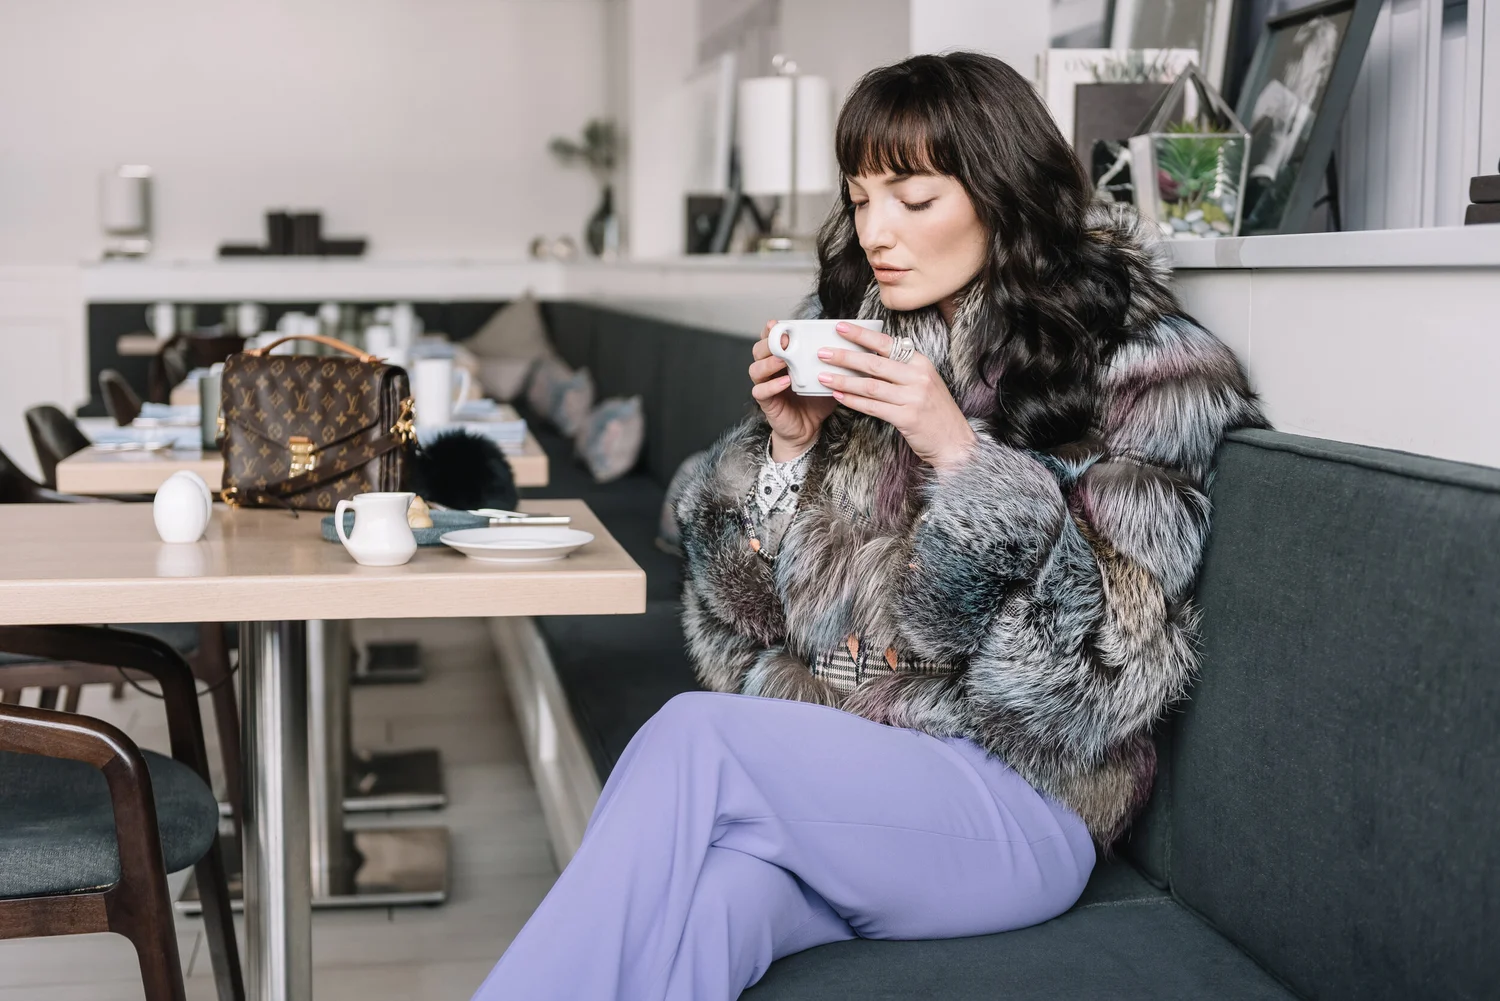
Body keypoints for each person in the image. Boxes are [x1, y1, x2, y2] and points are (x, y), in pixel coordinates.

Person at [472, 51, 1266, 1001]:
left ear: (1004, 193)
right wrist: (785, 455)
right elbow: (745, 635)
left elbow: (1099, 678)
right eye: (859, 200)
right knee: (716, 908)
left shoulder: (1146, 372)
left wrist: (960, 456)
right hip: (849, 784)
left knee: (697, 742)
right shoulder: (850, 337)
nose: (877, 232)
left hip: (1020, 801)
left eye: (913, 199)